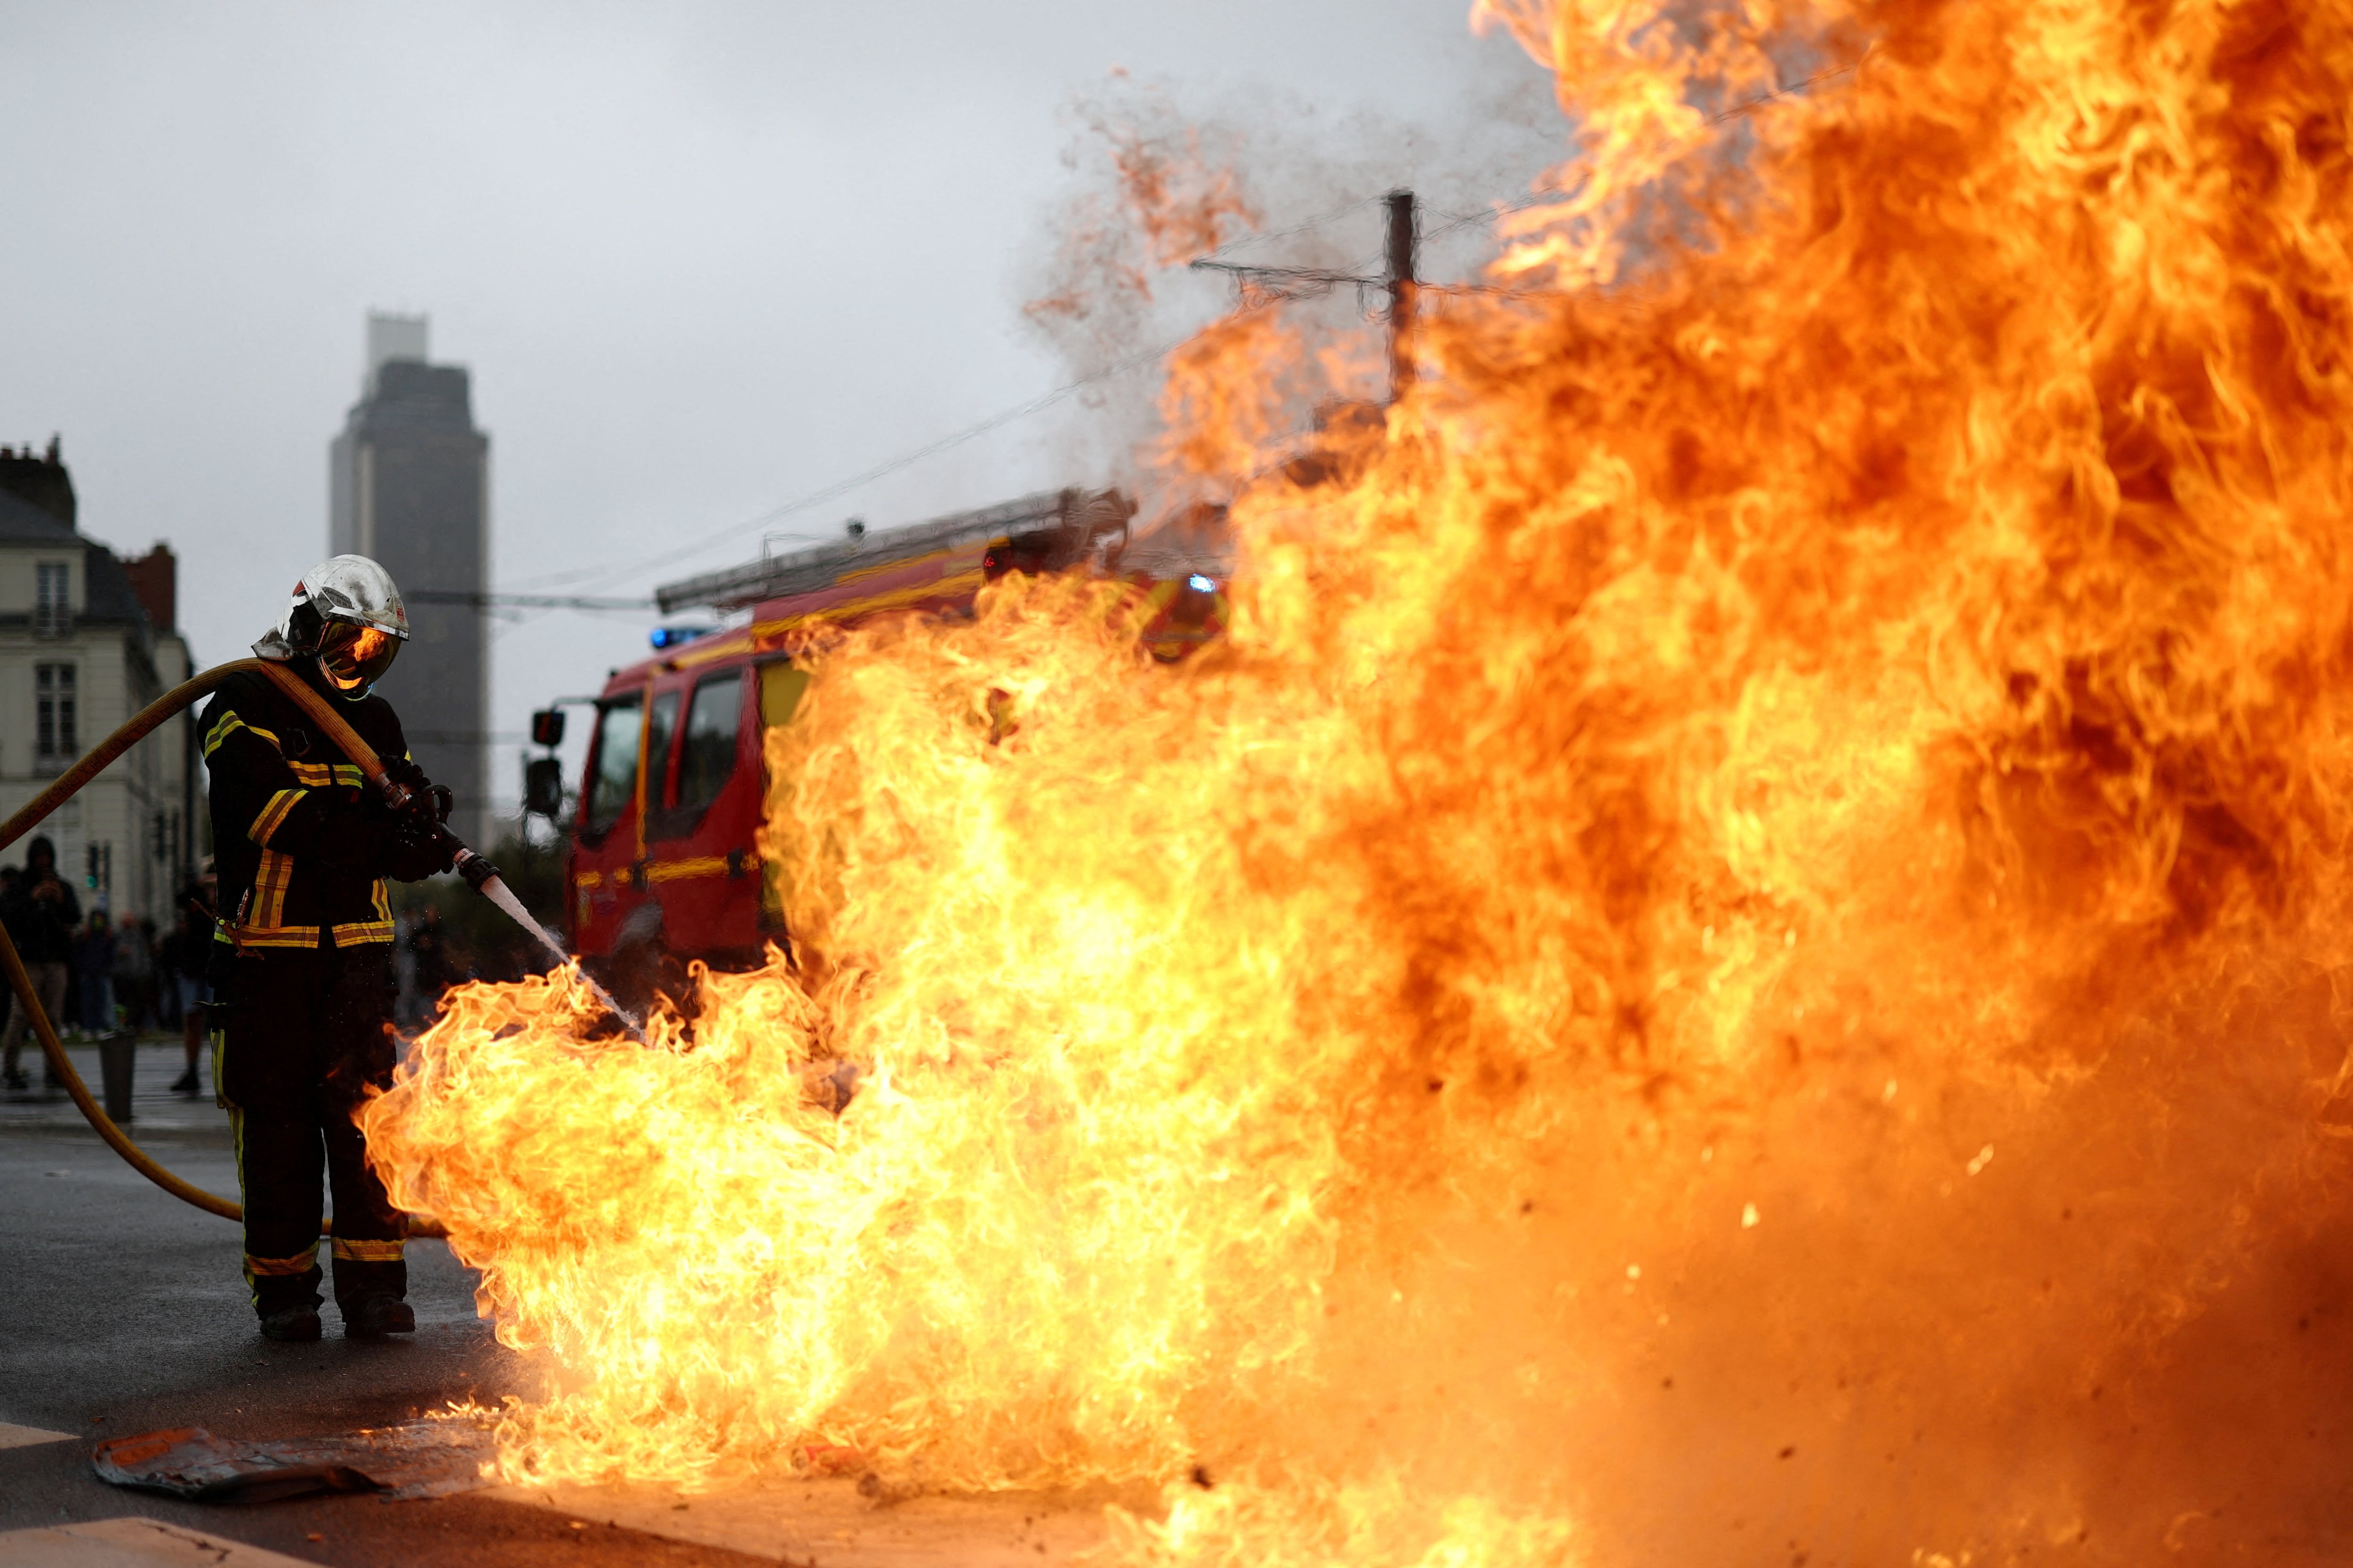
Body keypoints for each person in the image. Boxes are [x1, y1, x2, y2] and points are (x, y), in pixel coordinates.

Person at [200, 555, 456, 1342]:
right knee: (277, 1136)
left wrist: (424, 831)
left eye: (378, 650)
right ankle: (285, 1297)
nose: (360, 661)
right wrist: (381, 827)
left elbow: (400, 844)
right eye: (351, 643)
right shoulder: (241, 702)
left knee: (365, 1130)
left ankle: (376, 1292)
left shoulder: (375, 725)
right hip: (266, 963)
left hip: (356, 962)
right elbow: (286, 820)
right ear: (309, 626)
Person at [0, 837, 80, 1093]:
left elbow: (74, 916)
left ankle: (53, 1070)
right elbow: (9, 916)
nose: (44, 862)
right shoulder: (20, 886)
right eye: (40, 857)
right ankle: (10, 1068)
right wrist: (32, 899)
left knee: (54, 1018)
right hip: (29, 959)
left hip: (56, 960)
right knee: (20, 1015)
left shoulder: (61, 886)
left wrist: (58, 900)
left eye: (47, 857)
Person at [75, 910, 116, 1036]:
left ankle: (98, 1026)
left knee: (100, 1002)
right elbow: (79, 953)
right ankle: (89, 1027)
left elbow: (110, 955)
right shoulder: (86, 935)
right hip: (88, 973)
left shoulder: (106, 936)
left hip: (100, 973)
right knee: (89, 1002)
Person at [112, 914, 155, 1032]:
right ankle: (123, 1024)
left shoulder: (138, 937)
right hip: (122, 975)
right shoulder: (118, 936)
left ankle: (138, 1025)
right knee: (123, 1003)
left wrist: (145, 970)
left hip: (137, 975)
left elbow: (144, 955)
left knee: (139, 1001)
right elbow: (113, 954)